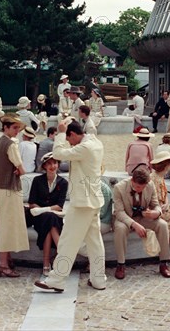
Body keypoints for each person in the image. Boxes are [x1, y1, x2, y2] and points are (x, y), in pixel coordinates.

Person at [34, 120, 106, 292]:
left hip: (82, 203)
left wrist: (60, 132)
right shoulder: (95, 142)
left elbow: (57, 154)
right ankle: (98, 279)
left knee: (67, 240)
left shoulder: (85, 148)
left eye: (69, 139)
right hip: (92, 200)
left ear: (73, 134)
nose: (69, 144)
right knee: (95, 243)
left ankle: (57, 279)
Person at [112, 168, 170, 279]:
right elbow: (119, 212)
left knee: (163, 225)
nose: (140, 190)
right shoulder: (119, 188)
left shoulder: (150, 185)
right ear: (132, 181)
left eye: (143, 187)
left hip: (143, 217)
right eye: (138, 187)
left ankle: (164, 263)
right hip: (126, 218)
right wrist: (134, 224)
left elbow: (156, 204)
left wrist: (156, 212)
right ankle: (121, 264)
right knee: (120, 229)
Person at [0, 114, 29, 277]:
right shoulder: (11, 145)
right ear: (6, 127)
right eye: (14, 128)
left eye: (18, 128)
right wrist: (18, 170)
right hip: (10, 189)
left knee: (6, 224)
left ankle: (6, 259)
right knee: (8, 226)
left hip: (1, 189)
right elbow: (22, 170)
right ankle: (3, 263)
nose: (17, 131)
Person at [28, 152, 68, 275]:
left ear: (58, 165)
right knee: (48, 219)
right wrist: (42, 211)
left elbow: (59, 206)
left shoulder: (63, 182)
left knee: (49, 219)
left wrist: (42, 210)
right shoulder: (37, 180)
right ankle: (63, 256)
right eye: (49, 163)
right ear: (44, 166)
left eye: (55, 163)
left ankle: (46, 263)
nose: (52, 166)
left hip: (53, 216)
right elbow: (31, 203)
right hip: (38, 217)